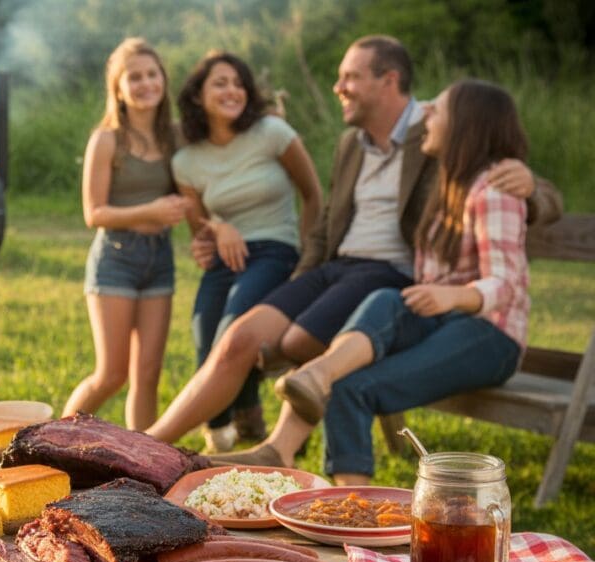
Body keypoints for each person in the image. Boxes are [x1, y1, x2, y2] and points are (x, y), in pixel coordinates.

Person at [146, 35, 560, 446]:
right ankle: (151, 442)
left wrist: (533, 188)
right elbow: (327, 224)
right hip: (336, 268)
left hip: (390, 277)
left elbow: (498, 171)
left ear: (388, 80)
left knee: (293, 341)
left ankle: (279, 436)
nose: (338, 87)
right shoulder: (351, 144)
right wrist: (300, 282)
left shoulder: (438, 129)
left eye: (350, 77)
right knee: (239, 336)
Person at [253, 78, 532, 486]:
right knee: (371, 331)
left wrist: (451, 294)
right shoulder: (446, 183)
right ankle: (345, 497)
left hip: (490, 336)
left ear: (466, 125)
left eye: (438, 108)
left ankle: (347, 499)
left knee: (359, 383)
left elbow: (506, 284)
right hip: (443, 320)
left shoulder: (494, 191)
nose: (425, 114)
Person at [172, 52, 322, 453]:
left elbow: (312, 194)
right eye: (220, 82)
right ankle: (224, 432)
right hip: (226, 256)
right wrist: (218, 228)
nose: (232, 90)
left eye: (238, 82)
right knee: (204, 338)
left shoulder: (272, 131)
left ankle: (242, 425)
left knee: (230, 333)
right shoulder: (186, 161)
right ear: (198, 96)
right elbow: (200, 234)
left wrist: (308, 258)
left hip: (277, 249)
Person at [62, 38, 188, 430]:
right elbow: (93, 212)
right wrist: (150, 210)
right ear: (117, 88)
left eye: (152, 74)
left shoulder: (175, 136)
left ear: (163, 81)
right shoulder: (107, 139)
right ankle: (54, 439)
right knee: (112, 373)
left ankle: (142, 464)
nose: (145, 83)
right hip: (116, 259)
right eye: (134, 77)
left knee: (147, 374)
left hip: (159, 259)